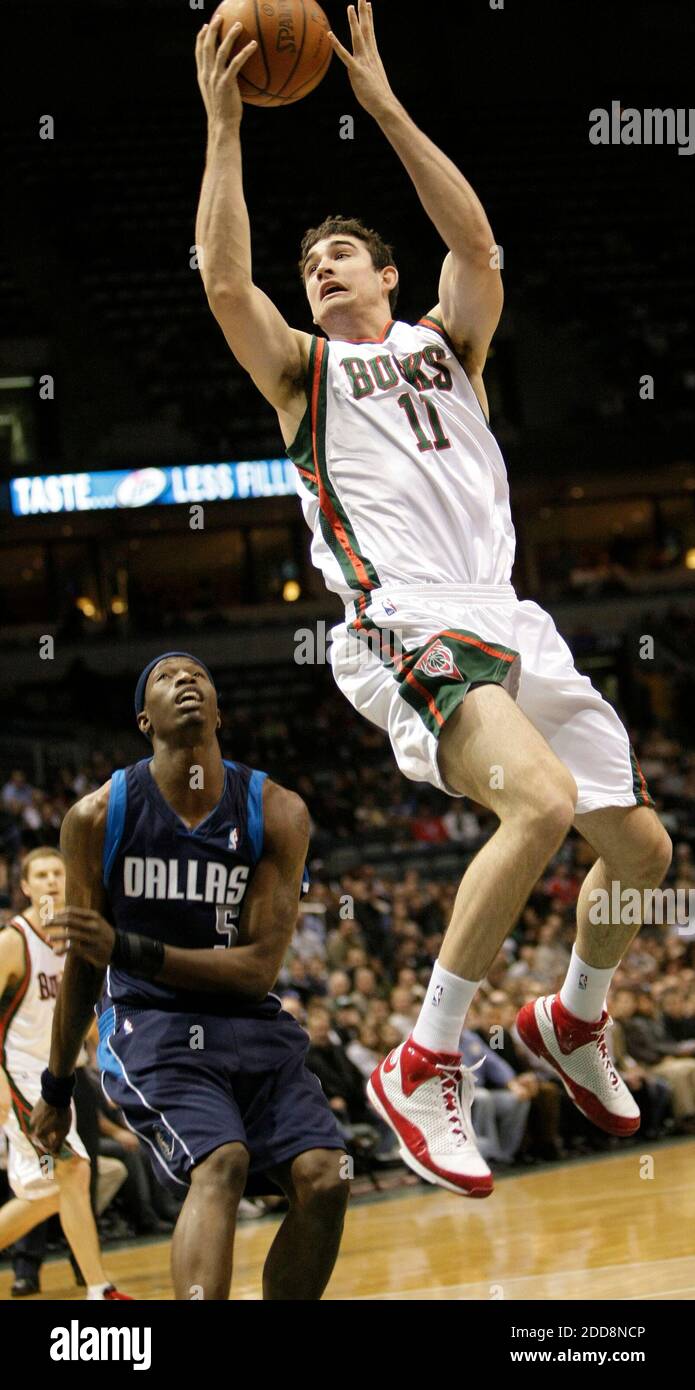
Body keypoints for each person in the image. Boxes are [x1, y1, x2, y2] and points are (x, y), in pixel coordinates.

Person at [193, 1, 672, 1197]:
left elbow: (478, 247)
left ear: (386, 272)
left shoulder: (448, 343)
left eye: (340, 253)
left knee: (643, 848)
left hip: (505, 613)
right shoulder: (304, 371)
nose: (319, 266)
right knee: (542, 806)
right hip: (401, 616)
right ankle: (422, 1055)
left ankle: (568, 1019)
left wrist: (385, 107)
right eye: (311, 263)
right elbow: (220, 277)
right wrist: (221, 125)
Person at [31, 653, 349, 1300]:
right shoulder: (97, 817)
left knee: (327, 1173)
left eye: (199, 675)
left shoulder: (275, 810)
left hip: (246, 1017)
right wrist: (57, 1086)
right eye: (166, 677)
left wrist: (132, 946)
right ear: (145, 720)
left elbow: (258, 971)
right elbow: (87, 965)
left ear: (219, 711)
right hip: (152, 1024)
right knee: (221, 1161)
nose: (186, 681)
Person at [0, 847, 129, 1299]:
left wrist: (108, 1057)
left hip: (57, 1079)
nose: (52, 880)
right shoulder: (12, 941)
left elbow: (82, 1014)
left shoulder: (77, 940)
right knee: (73, 1175)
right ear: (26, 886)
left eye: (58, 872)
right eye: (41, 874)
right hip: (15, 1077)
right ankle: (100, 1288)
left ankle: (98, 1285)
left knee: (53, 1195)